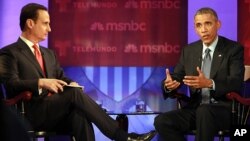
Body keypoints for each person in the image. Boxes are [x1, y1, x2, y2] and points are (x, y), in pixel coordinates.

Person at [0, 3, 156, 141]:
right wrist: (40, 82)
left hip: (55, 110)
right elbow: (10, 85)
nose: (50, 28)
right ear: (30, 23)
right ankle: (123, 137)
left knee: (79, 115)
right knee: (74, 96)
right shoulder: (9, 53)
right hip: (30, 113)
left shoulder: (49, 53)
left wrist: (71, 83)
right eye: (45, 23)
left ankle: (122, 137)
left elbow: (61, 77)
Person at [154, 7, 244, 141]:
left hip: (224, 110)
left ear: (218, 24)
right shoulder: (189, 50)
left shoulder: (233, 49)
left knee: (204, 112)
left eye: (208, 23)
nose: (203, 30)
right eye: (199, 25)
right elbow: (177, 76)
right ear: (195, 28)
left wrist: (209, 83)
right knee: (162, 121)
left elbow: (236, 82)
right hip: (196, 108)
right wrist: (169, 84)